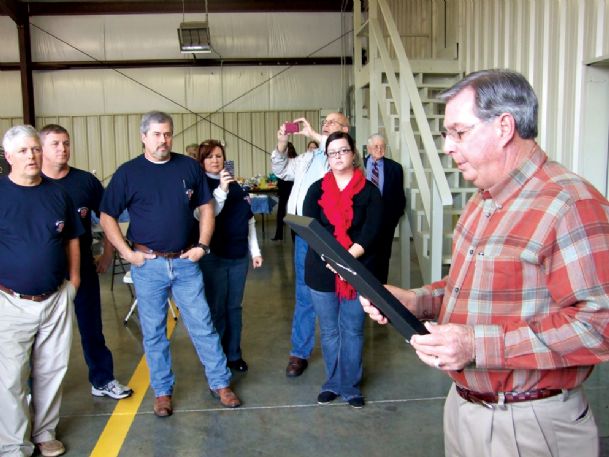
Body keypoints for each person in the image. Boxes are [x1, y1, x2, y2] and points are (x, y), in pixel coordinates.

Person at [360, 69, 609, 456]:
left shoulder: (569, 204)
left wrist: (476, 344)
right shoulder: (483, 200)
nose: (448, 147)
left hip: (530, 423)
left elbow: (599, 325)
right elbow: (467, 286)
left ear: (504, 127)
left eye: (459, 132)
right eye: (447, 134)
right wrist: (415, 301)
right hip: (464, 407)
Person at [100, 111, 241, 418]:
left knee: (202, 325)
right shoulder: (128, 173)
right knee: (153, 332)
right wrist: (126, 252)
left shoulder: (188, 167)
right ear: (143, 137)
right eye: (156, 134)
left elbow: (206, 206)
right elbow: (107, 214)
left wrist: (203, 245)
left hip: (185, 262)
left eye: (167, 134)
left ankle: (220, 383)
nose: (163, 140)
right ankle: (162, 391)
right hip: (147, 265)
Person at [0, 125, 83, 457]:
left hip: (55, 298)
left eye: (35, 149)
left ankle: (44, 432)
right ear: (8, 157)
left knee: (52, 370)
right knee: (10, 378)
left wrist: (73, 283)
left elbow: (72, 238)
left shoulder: (57, 194)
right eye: (22, 151)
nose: (31, 156)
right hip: (10, 300)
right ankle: (13, 444)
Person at [40, 124, 133, 401]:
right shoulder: (31, 183)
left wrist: (107, 253)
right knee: (42, 337)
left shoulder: (85, 182)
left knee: (91, 327)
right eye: (55, 143)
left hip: (81, 269)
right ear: (41, 148)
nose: (62, 149)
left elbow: (107, 217)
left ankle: (102, 380)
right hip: (44, 274)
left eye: (66, 143)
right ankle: (37, 391)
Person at [303, 132, 381, 408]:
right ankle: (333, 383)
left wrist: (347, 258)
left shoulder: (369, 191)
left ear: (353, 154)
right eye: (332, 152)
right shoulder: (316, 189)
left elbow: (373, 229)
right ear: (327, 158)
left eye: (343, 150)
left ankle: (350, 385)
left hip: (357, 268)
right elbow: (311, 226)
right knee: (330, 330)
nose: (337, 156)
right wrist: (331, 258)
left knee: (352, 329)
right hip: (322, 268)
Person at [271, 113, 350, 377]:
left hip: (332, 236)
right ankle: (299, 352)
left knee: (338, 291)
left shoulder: (339, 157)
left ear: (345, 130)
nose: (325, 125)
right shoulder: (308, 158)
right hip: (304, 234)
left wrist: (316, 134)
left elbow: (336, 146)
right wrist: (282, 143)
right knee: (304, 293)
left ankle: (341, 350)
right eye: (324, 122)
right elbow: (281, 170)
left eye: (331, 123)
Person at [197, 139, 263, 373]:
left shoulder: (236, 186)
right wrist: (221, 191)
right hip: (213, 257)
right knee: (217, 308)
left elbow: (249, 220)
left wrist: (255, 251)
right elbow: (205, 216)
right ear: (202, 161)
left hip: (238, 257)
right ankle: (216, 357)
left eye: (218, 155)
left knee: (234, 307)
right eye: (210, 157)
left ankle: (234, 354)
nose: (215, 160)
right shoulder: (201, 185)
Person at [363, 133, 406, 283]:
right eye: (375, 146)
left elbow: (399, 198)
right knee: (363, 256)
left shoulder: (395, 168)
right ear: (368, 148)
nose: (379, 149)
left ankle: (381, 291)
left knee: (382, 258)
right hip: (362, 221)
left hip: (385, 223)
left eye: (382, 146)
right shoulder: (358, 166)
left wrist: (392, 220)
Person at [271, 141, 297, 241]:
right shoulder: (286, 160)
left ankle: (282, 235)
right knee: (285, 212)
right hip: (285, 189)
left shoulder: (294, 161)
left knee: (288, 213)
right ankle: (281, 235)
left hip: (289, 189)